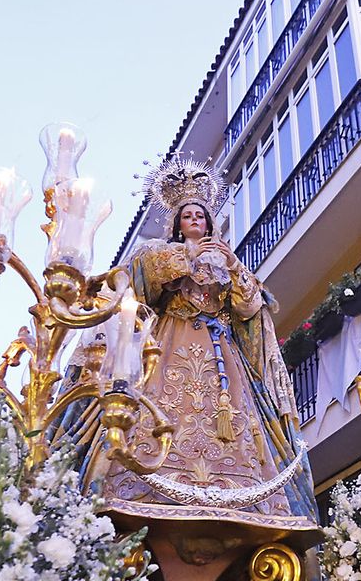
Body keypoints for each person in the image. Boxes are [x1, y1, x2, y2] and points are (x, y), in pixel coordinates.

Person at [99, 160, 318, 532]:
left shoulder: (226, 261)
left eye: (201, 214)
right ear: (177, 223)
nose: (195, 219)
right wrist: (186, 257)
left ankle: (239, 487)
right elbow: (142, 281)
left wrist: (232, 265)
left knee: (236, 423)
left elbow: (250, 307)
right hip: (172, 342)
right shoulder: (159, 253)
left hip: (221, 356)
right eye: (188, 215)